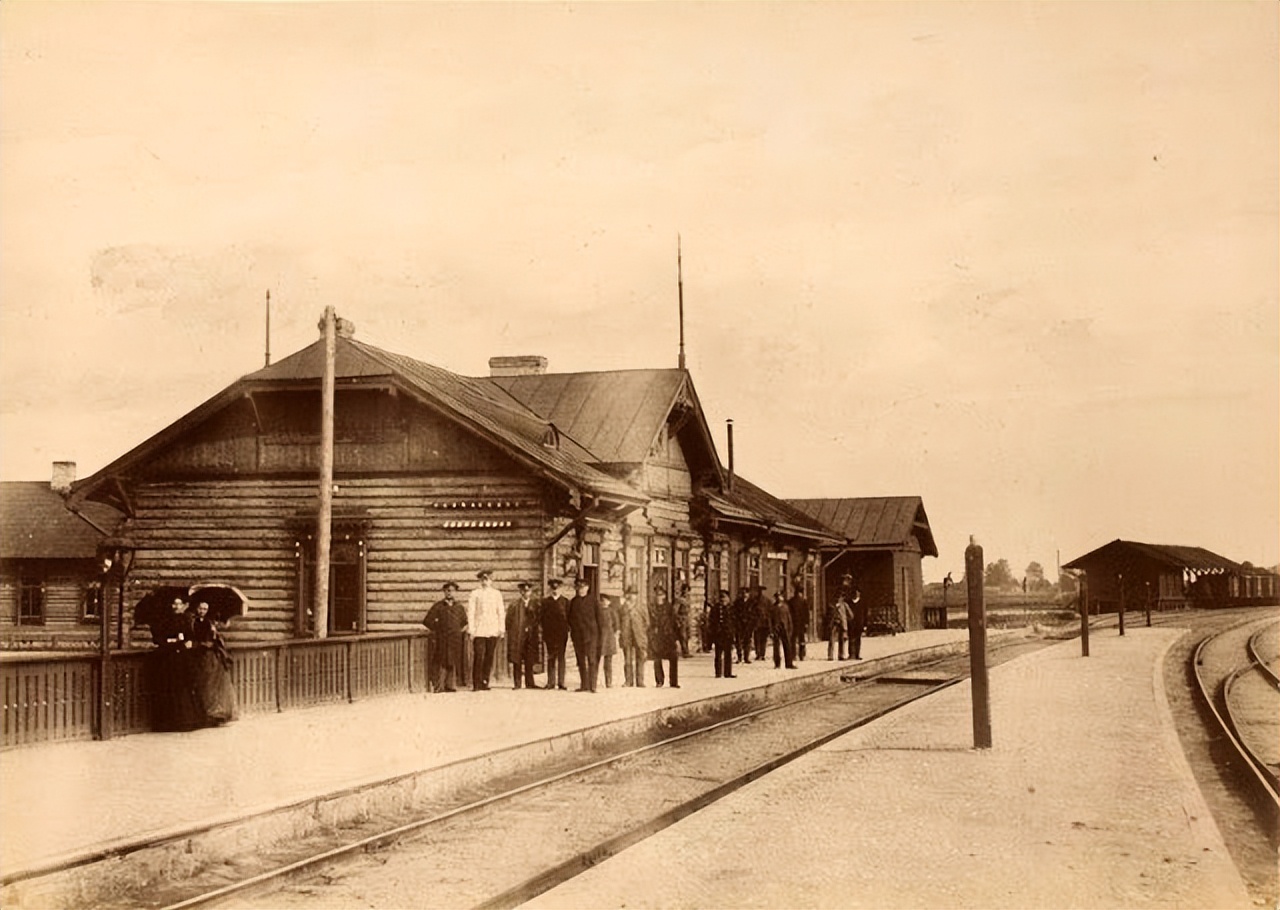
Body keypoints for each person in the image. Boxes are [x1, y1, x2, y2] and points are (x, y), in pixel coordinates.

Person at [148, 596, 201, 732]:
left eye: (179, 604)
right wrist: (171, 641)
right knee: (169, 688)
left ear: (183, 606)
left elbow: (191, 638)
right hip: (168, 659)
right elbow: (158, 639)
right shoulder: (164, 621)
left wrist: (190, 643)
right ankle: (169, 723)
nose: (176, 607)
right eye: (174, 604)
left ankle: (186, 721)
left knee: (184, 688)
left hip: (183, 659)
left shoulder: (186, 620)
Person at [190, 600, 237, 725]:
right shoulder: (192, 622)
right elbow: (192, 637)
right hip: (198, 655)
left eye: (205, 609)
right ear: (196, 609)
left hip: (211, 657)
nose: (202, 611)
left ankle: (216, 714)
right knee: (202, 684)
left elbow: (214, 640)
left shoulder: (209, 623)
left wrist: (214, 633)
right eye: (200, 608)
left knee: (213, 684)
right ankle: (203, 714)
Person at [423, 581, 467, 692]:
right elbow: (427, 621)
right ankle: (439, 686)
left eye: (452, 590)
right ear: (444, 592)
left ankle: (450, 685)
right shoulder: (438, 606)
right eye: (447, 590)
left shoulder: (459, 607)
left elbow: (464, 622)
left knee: (452, 661)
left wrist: (457, 631)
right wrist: (437, 628)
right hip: (441, 639)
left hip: (455, 639)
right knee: (441, 661)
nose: (449, 593)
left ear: (455, 592)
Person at [467, 570, 505, 691]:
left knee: (489, 656)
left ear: (491, 580)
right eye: (482, 579)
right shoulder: (475, 594)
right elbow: (471, 612)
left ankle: (485, 681)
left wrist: (501, 628)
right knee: (479, 655)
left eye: (487, 579)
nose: (485, 582)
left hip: (492, 629)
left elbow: (500, 612)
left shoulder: (496, 594)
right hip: (479, 630)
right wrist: (471, 629)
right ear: (479, 580)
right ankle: (476, 683)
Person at [567, 578, 600, 692]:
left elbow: (599, 619)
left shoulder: (593, 601)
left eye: (583, 588)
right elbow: (569, 619)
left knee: (591, 661)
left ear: (587, 588)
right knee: (581, 661)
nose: (581, 590)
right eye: (579, 588)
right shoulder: (573, 602)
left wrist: (599, 635)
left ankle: (593, 685)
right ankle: (584, 685)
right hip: (578, 637)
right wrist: (573, 632)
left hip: (591, 636)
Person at [506, 581, 541, 689]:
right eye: (524, 591)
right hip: (518, 635)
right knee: (517, 658)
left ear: (530, 592)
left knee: (529, 659)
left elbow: (538, 619)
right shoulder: (514, 605)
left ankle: (530, 682)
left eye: (528, 591)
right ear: (521, 592)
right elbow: (508, 621)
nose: (526, 593)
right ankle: (517, 683)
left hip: (531, 636)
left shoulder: (536, 605)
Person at [539, 578, 570, 690]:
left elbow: (569, 618)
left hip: (562, 634)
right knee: (551, 657)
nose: (555, 590)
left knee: (561, 657)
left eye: (557, 588)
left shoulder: (565, 602)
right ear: (550, 589)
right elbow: (541, 618)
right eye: (553, 588)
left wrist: (567, 629)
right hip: (550, 634)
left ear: (561, 589)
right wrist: (544, 632)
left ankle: (561, 682)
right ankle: (551, 682)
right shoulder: (545, 602)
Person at [616, 586, 649, 686]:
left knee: (640, 658)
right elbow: (618, 620)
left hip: (638, 636)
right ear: (627, 595)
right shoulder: (623, 607)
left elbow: (647, 622)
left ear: (637, 595)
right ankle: (628, 681)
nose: (632, 596)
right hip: (627, 635)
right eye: (630, 594)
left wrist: (641, 632)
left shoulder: (641, 606)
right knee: (628, 660)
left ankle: (640, 681)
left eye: (634, 594)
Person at [648, 585, 680, 688]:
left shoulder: (669, 608)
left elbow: (675, 622)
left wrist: (677, 638)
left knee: (673, 658)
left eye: (660, 595)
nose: (658, 597)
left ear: (664, 596)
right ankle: (659, 680)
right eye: (656, 595)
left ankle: (673, 682)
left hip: (668, 636)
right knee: (657, 659)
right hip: (657, 637)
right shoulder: (652, 608)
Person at [708, 589, 736, 678]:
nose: (723, 600)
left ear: (728, 598)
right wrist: (712, 632)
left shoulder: (731, 608)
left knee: (728, 654)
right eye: (721, 598)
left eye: (725, 598)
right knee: (718, 654)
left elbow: (735, 622)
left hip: (728, 634)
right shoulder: (715, 608)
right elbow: (711, 621)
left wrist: (734, 633)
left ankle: (728, 673)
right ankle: (718, 672)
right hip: (718, 634)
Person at [768, 591, 797, 669]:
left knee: (787, 645)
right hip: (776, 628)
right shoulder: (773, 608)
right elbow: (770, 620)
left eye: (780, 596)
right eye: (777, 597)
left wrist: (790, 628)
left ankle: (789, 663)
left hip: (785, 628)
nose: (779, 598)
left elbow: (789, 618)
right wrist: (771, 631)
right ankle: (777, 663)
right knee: (776, 646)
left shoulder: (785, 607)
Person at [597, 592, 619, 688]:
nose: (604, 603)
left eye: (606, 601)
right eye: (602, 601)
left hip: (609, 638)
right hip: (599, 638)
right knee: (596, 660)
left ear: (609, 602)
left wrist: (614, 632)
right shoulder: (598, 611)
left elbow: (616, 624)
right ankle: (594, 681)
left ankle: (608, 681)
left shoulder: (612, 611)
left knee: (608, 662)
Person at [826, 587, 852, 661]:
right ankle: (830, 655)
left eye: (841, 597)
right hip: (834, 623)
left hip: (842, 624)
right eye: (838, 596)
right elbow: (828, 614)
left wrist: (846, 619)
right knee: (832, 639)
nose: (839, 598)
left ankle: (841, 655)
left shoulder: (845, 605)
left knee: (842, 640)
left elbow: (851, 615)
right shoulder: (832, 605)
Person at [787, 581, 810, 661]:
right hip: (801, 623)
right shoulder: (804, 602)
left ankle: (793, 655)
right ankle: (801, 655)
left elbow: (789, 613)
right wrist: (807, 623)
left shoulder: (790, 601)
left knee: (793, 639)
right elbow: (807, 613)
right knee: (801, 639)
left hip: (793, 623)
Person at [731, 589, 755, 664]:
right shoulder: (737, 602)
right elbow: (734, 613)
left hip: (748, 625)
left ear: (749, 594)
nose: (745, 594)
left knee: (747, 641)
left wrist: (751, 622)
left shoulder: (752, 603)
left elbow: (755, 614)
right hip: (739, 625)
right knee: (738, 641)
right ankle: (739, 657)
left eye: (746, 593)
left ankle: (746, 657)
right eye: (743, 593)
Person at [847, 581, 867, 660]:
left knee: (858, 639)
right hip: (851, 623)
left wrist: (865, 625)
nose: (855, 594)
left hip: (859, 623)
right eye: (854, 593)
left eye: (857, 593)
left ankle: (857, 654)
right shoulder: (849, 603)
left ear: (859, 594)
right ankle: (851, 654)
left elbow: (865, 614)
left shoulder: (862, 603)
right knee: (851, 639)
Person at [751, 585, 771, 661]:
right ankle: (758, 653)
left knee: (763, 639)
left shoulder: (767, 601)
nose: (760, 593)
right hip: (757, 623)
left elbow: (770, 612)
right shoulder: (754, 601)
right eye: (759, 591)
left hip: (765, 623)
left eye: (762, 591)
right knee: (757, 639)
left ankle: (762, 654)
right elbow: (751, 611)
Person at [674, 583, 692, 658]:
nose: (687, 592)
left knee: (687, 635)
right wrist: (678, 620)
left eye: (688, 591)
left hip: (687, 618)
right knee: (683, 636)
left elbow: (689, 610)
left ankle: (687, 650)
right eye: (685, 591)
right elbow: (675, 610)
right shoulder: (679, 600)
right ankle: (684, 652)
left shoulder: (688, 599)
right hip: (681, 618)